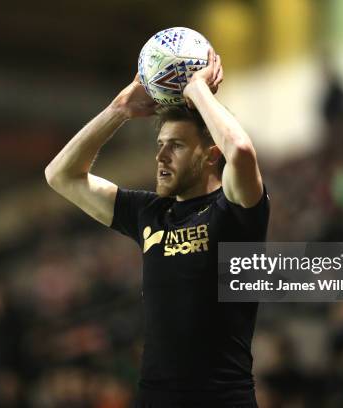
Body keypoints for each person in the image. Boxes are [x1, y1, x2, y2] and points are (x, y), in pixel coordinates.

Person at [45, 48, 269, 407]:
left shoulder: (235, 210)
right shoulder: (149, 212)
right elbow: (60, 175)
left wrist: (197, 89)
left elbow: (240, 150)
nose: (160, 157)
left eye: (176, 146)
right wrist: (117, 110)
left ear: (210, 155)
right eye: (160, 145)